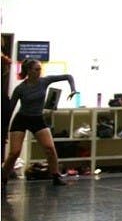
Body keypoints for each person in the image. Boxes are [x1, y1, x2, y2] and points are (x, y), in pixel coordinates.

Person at [1, 58, 78, 190]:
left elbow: (68, 76)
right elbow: (10, 110)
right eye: (36, 69)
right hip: (21, 119)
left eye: (40, 69)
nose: (39, 72)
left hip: (37, 119)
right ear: (29, 71)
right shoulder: (20, 88)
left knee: (50, 148)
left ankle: (55, 176)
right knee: (14, 152)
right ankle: (3, 177)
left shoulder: (44, 81)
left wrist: (73, 89)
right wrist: (4, 131)